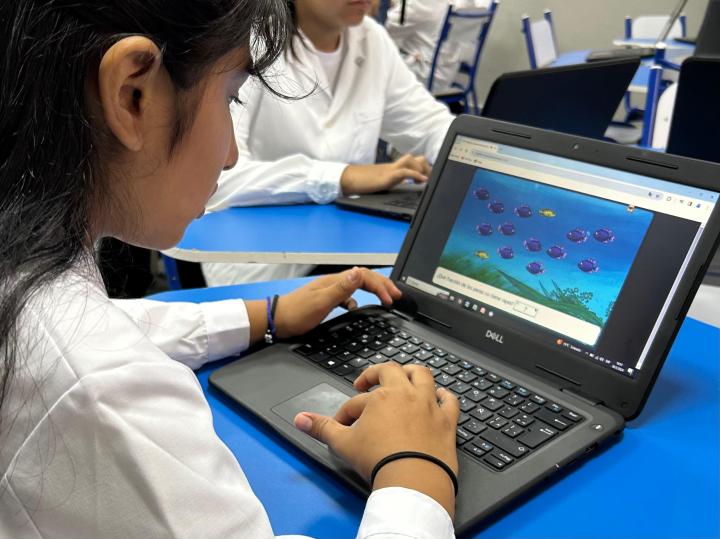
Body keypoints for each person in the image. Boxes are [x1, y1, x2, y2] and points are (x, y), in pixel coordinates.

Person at [0, 1, 460, 537]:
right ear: (131, 94)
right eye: (230, 96)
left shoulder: (33, 283)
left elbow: (92, 325)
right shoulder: (106, 390)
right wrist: (415, 470)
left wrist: (266, 315)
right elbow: (93, 364)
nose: (230, 155)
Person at [201, 0, 455, 287]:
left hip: (347, 250)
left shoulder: (371, 39)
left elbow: (431, 126)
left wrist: (474, 160)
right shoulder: (252, 42)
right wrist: (342, 177)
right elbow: (218, 175)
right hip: (257, 262)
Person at [385, 0, 490, 96]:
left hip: (419, 75)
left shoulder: (422, 3)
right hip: (446, 75)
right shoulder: (468, 3)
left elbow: (385, 28)